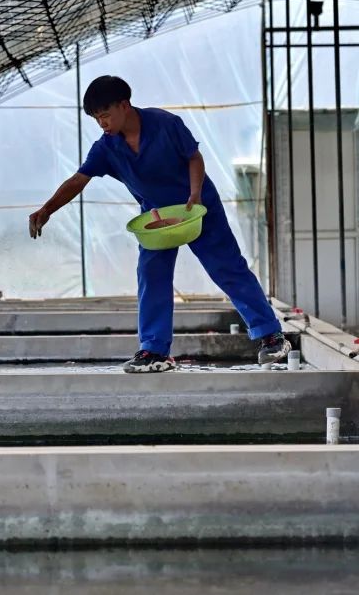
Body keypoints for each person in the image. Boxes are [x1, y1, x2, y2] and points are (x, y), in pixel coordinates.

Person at [28, 75, 291, 373]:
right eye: (96, 118)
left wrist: (194, 192)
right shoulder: (107, 148)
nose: (102, 123)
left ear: (124, 105)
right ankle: (154, 350)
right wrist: (47, 208)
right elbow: (79, 179)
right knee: (151, 274)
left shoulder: (165, 124)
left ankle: (270, 335)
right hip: (157, 218)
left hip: (198, 207)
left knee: (227, 267)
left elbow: (194, 157)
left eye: (105, 115)